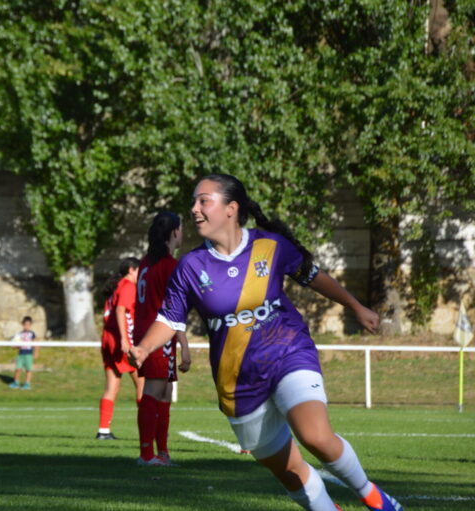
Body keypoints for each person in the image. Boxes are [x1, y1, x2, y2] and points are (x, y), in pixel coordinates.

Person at [129, 174, 403, 511]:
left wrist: (355, 306)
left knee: (315, 436)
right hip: (237, 380)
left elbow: (313, 276)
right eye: (194, 202)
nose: (194, 209)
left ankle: (374, 497)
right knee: (289, 472)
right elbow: (170, 320)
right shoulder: (189, 266)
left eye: (204, 201)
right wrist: (144, 348)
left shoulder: (271, 246)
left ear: (231, 208)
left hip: (289, 351)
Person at [133, 211, 191, 466]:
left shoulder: (146, 263)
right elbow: (174, 310)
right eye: (181, 228)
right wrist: (185, 347)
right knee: (153, 390)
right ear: (174, 232)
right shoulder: (169, 265)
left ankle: (162, 453)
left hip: (145, 331)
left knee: (165, 392)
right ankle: (146, 455)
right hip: (157, 335)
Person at [96, 257, 144, 440]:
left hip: (108, 340)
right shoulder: (128, 286)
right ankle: (149, 429)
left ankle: (103, 431)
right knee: (143, 383)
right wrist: (125, 340)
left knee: (112, 386)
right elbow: (121, 310)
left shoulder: (115, 287)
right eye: (139, 270)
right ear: (131, 270)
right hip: (121, 341)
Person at [9, 316, 40, 390]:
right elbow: (14, 345)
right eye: (25, 324)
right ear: (22, 324)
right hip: (21, 354)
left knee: (28, 369)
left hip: (29, 354)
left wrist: (36, 352)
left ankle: (27, 384)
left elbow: (36, 343)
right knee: (18, 368)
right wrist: (15, 346)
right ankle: (16, 382)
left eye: (28, 325)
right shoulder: (19, 334)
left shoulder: (32, 334)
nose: (27, 326)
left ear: (31, 325)